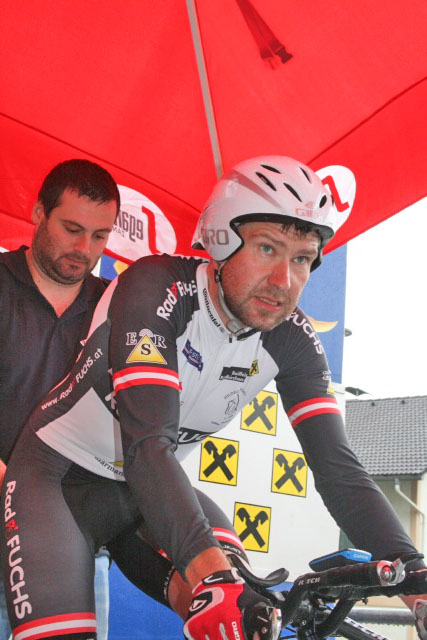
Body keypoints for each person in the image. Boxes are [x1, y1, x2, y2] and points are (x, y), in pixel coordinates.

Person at [1, 156, 426, 640]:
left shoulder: (293, 339)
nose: (284, 281)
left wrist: (414, 578)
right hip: (54, 481)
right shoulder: (155, 286)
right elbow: (148, 445)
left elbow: (340, 472)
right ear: (222, 241)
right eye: (267, 248)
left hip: (139, 494)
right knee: (208, 584)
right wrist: (211, 575)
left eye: (302, 259)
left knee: (248, 613)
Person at [0, 159, 120, 640]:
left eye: (99, 236)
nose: (84, 249)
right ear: (38, 213)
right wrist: (22, 497)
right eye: (72, 229)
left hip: (77, 551)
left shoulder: (118, 308)